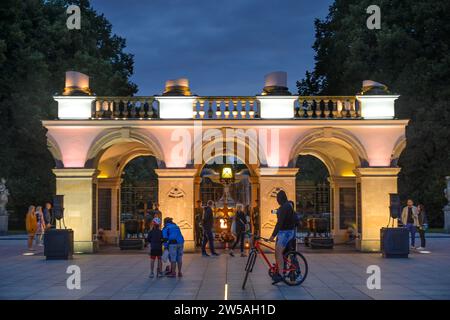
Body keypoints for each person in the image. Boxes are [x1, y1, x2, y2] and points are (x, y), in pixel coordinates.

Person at [268, 190, 296, 284]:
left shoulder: (285, 207)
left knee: (279, 252)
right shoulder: (285, 206)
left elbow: (279, 223)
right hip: (283, 232)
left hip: (287, 232)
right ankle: (279, 271)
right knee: (278, 252)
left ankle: (280, 274)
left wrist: (272, 235)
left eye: (278, 199)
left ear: (281, 198)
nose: (277, 200)